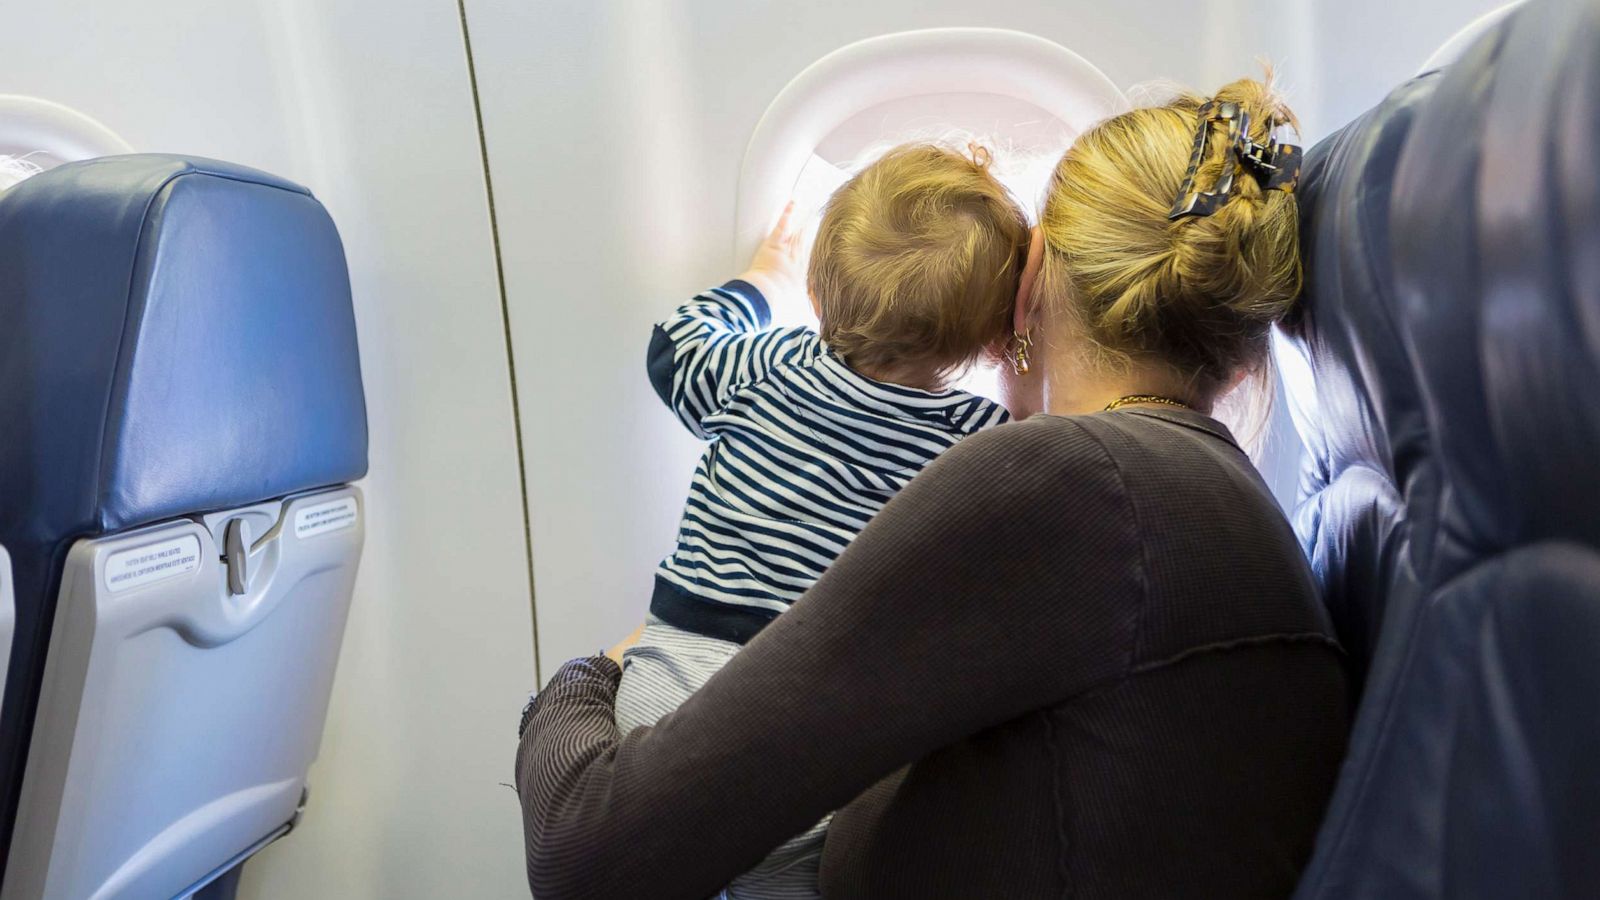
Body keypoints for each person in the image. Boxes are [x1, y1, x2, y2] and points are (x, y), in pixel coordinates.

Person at [516, 76, 1350, 900]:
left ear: (1030, 285)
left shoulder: (1060, 482)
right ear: (1241, 352)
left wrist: (601, 673)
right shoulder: (1224, 509)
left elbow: (586, 855)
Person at [616, 142, 1028, 899]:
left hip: (657, 706)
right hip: (801, 755)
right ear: (991, 335)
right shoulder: (972, 437)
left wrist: (762, 281)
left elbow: (672, 346)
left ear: (818, 281)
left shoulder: (763, 366)